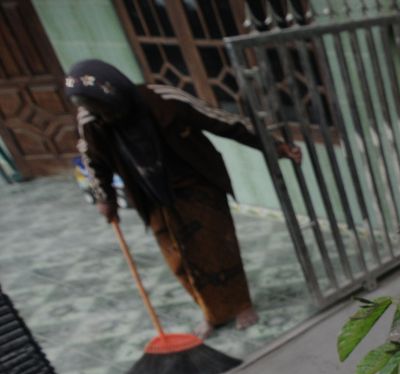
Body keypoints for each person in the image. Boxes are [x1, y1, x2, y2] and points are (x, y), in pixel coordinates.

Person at [66, 59, 302, 338]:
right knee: (178, 258)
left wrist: (274, 145)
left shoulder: (162, 99)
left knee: (216, 247)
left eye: (106, 109)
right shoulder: (90, 120)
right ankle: (211, 312)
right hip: (150, 195)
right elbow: (93, 161)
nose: (104, 116)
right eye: (95, 110)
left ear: (117, 94)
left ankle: (240, 305)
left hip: (195, 183)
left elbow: (223, 121)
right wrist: (105, 199)